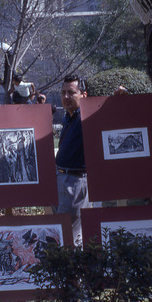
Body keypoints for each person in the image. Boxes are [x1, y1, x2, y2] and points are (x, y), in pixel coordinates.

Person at [52, 74, 91, 245]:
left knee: (70, 236)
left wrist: (121, 97)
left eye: (71, 93)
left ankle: (73, 269)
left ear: (84, 95)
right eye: (63, 93)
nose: (66, 97)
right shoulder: (68, 116)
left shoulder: (87, 117)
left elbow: (109, 112)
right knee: (60, 230)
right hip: (60, 179)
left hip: (75, 182)